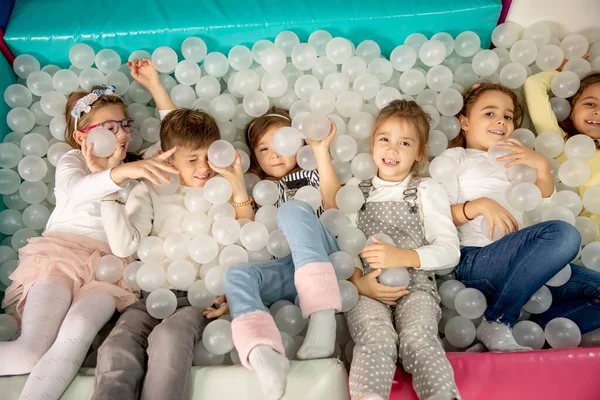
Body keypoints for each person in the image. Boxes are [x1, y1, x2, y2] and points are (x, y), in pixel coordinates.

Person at [0, 83, 175, 400]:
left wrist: (155, 84)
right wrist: (120, 174)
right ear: (82, 137)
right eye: (110, 128)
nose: (121, 135)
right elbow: (80, 190)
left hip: (110, 270)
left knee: (75, 338)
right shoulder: (72, 161)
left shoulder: (137, 170)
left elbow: (177, 136)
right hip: (60, 257)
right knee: (30, 351)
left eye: (125, 125)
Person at [92, 59, 252, 400]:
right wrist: (108, 193)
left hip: (201, 296)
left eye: (208, 156)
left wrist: (238, 189)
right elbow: (123, 246)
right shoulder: (149, 187)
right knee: (116, 348)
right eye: (192, 160)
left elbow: (249, 241)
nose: (203, 168)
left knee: (168, 339)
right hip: (152, 294)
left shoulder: (221, 186)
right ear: (167, 157)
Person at [439, 82, 600, 353]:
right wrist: (477, 206)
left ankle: (527, 334)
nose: (500, 121)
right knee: (564, 234)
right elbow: (434, 216)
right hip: (478, 260)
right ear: (464, 122)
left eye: (507, 116)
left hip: (528, 268)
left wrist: (541, 166)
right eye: (489, 113)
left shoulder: (518, 161)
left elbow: (543, 210)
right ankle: (499, 320)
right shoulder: (457, 158)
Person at [222, 107, 342, 399]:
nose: (275, 154)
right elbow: (246, 234)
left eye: (282, 143)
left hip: (322, 258)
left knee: (292, 210)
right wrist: (238, 182)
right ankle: (263, 353)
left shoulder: (312, 174)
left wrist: (320, 151)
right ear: (255, 157)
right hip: (287, 271)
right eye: (264, 148)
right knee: (236, 274)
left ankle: (323, 318)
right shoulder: (259, 189)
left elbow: (334, 204)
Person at [344, 100, 461, 400]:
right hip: (367, 288)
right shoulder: (357, 189)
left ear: (420, 152)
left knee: (418, 337)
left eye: (404, 143)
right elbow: (341, 243)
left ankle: (442, 395)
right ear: (372, 143)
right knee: (375, 337)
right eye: (384, 139)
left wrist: (404, 257)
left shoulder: (425, 190)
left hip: (417, 287)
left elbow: (449, 250)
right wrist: (359, 282)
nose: (392, 150)